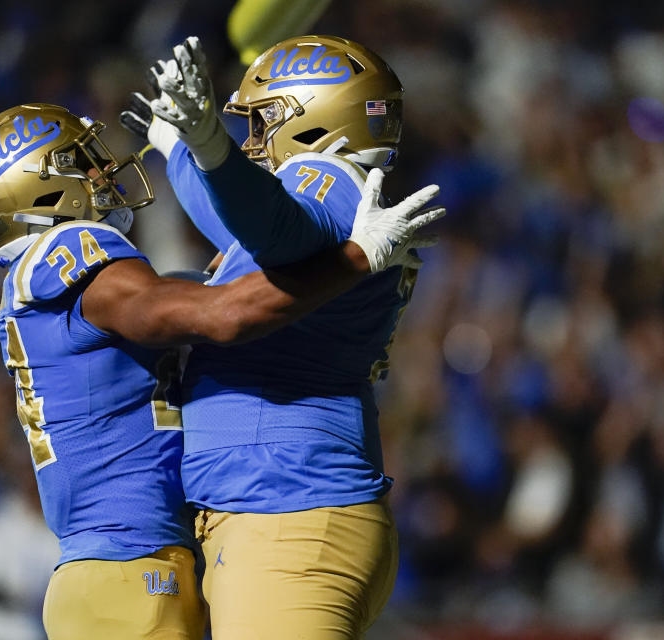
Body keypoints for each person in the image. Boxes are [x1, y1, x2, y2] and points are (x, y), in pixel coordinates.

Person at [0, 102, 444, 640]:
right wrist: (355, 257)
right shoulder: (67, 249)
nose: (103, 172)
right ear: (40, 191)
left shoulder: (54, 283)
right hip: (129, 571)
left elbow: (201, 305)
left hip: (128, 569)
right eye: (81, 163)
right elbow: (224, 316)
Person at [122, 35, 438, 638]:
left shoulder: (329, 181)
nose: (253, 138)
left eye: (264, 119)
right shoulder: (341, 202)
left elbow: (273, 223)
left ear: (316, 121)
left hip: (286, 509)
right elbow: (239, 221)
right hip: (291, 509)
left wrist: (210, 143)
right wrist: (180, 146)